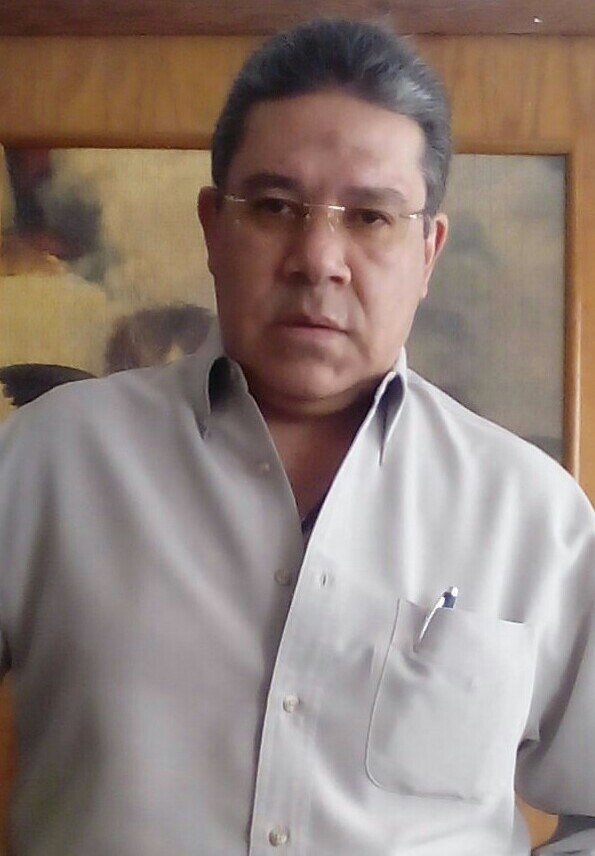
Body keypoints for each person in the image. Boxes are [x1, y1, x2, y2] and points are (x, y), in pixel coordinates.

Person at [0, 18, 593, 856]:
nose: (318, 258)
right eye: (276, 207)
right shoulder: (46, 461)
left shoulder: (531, 515)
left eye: (371, 217)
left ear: (427, 250)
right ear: (214, 226)